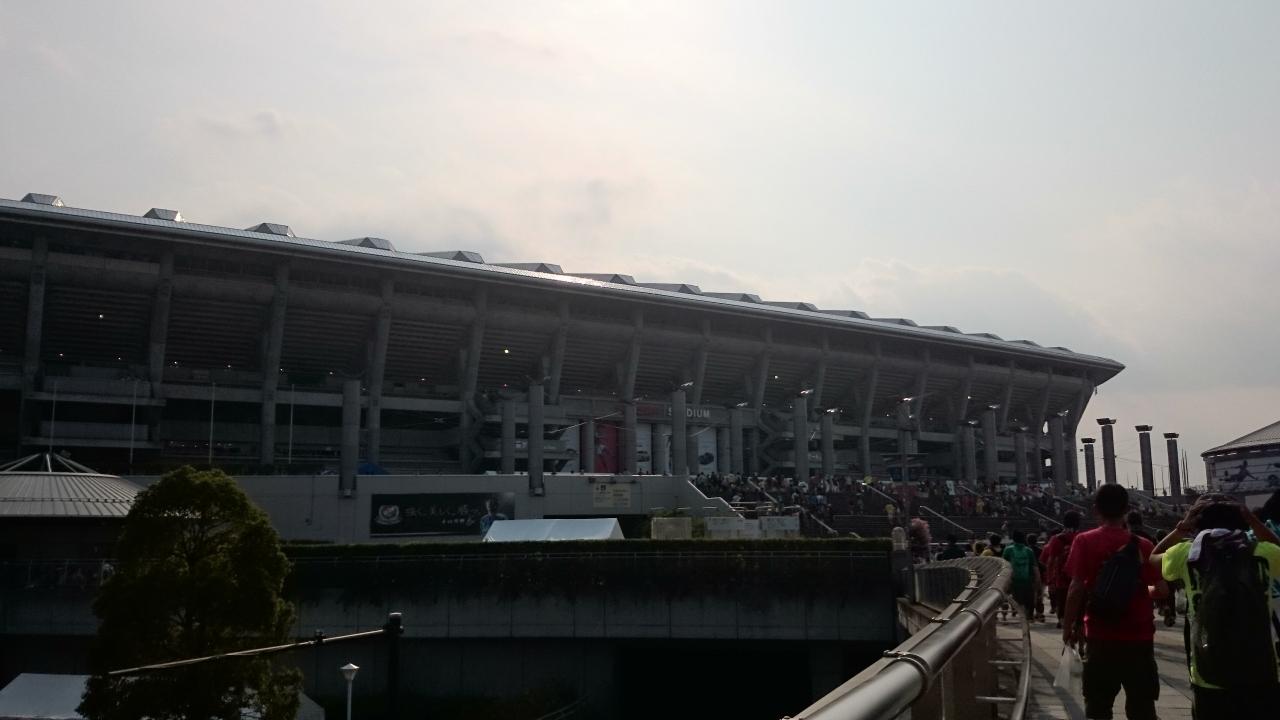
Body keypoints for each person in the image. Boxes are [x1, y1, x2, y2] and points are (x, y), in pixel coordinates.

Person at [1150, 496, 1280, 719]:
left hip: (1208, 671)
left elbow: (1153, 558)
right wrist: (1253, 521)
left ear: (1198, 525)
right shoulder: (1264, 552)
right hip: (1261, 668)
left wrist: (1181, 528)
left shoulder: (1187, 554)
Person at [1061, 484, 1165, 720]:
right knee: (1142, 708)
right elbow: (1160, 590)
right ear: (1127, 509)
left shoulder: (1084, 541)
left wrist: (1068, 627)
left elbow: (1076, 588)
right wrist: (1141, 591)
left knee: (1098, 706)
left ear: (1096, 509)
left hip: (1100, 635)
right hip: (1139, 637)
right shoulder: (1143, 545)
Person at [1042, 511, 1081, 627]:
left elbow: (1050, 561)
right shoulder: (1082, 537)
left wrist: (1050, 580)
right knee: (1078, 604)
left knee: (1062, 602)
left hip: (1061, 578)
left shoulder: (1056, 539)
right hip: (1078, 578)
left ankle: (1063, 621)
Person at [1003, 530, 1039, 617]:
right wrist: (1038, 580)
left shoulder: (1008, 550)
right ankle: (1027, 617)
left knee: (1019, 602)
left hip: (1014, 581)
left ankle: (1023, 617)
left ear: (1013, 539)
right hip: (1028, 581)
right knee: (1028, 601)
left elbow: (1004, 566)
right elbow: (1035, 568)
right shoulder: (1029, 551)